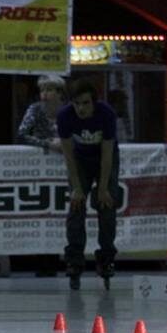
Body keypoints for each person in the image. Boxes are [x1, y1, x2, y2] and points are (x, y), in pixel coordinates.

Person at [57, 79, 120, 290]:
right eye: (77, 104)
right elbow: (68, 155)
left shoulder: (106, 114)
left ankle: (106, 256)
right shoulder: (65, 116)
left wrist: (102, 188)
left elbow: (108, 154)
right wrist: (76, 187)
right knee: (76, 208)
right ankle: (74, 260)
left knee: (107, 205)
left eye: (85, 103)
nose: (81, 109)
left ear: (94, 102)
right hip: (80, 160)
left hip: (104, 158)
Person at [17, 74, 66, 277]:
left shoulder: (69, 110)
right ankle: (42, 262)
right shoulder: (35, 109)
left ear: (59, 93)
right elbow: (22, 134)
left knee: (61, 212)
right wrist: (47, 144)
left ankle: (62, 259)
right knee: (42, 211)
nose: (44, 95)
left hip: (65, 169)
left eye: (49, 90)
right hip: (40, 170)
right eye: (42, 91)